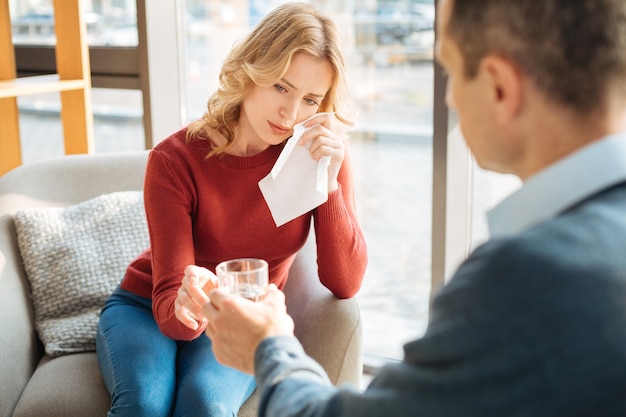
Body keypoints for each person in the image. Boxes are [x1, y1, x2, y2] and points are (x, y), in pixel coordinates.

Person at [200, 0, 626, 415]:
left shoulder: (522, 276)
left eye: (451, 72)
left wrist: (269, 349)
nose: (450, 100)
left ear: (499, 87)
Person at [95, 3, 367, 416]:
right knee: (145, 405)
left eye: (310, 99)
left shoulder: (319, 156)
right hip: (149, 308)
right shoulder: (175, 159)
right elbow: (169, 306)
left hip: (243, 314)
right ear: (251, 70)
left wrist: (328, 187)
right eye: (280, 86)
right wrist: (189, 306)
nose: (290, 114)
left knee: (205, 402)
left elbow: (344, 282)